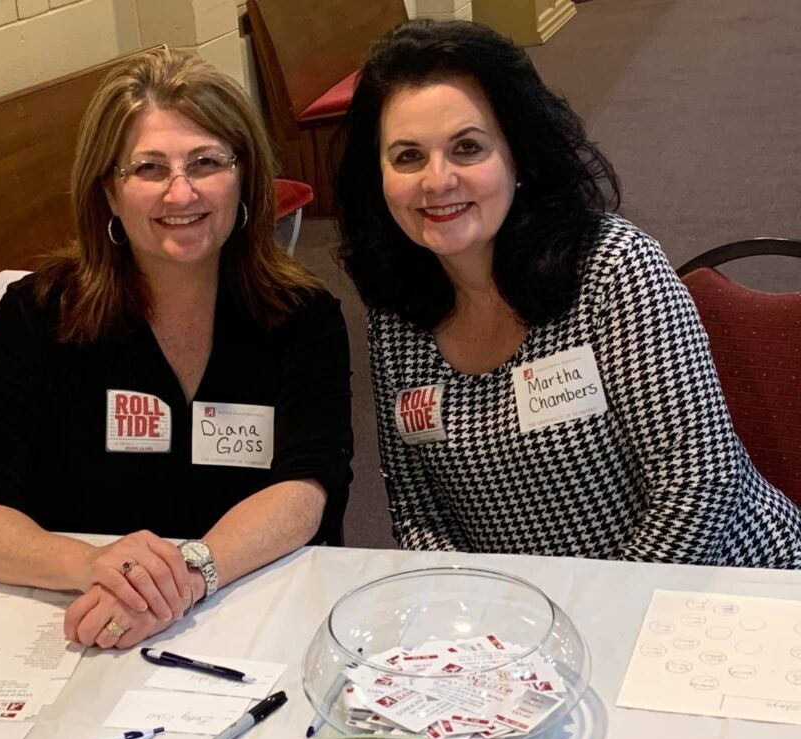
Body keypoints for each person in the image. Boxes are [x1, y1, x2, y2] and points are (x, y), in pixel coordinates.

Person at [0, 47, 353, 649]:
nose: (181, 194)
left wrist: (186, 577)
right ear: (107, 192)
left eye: (206, 162)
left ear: (246, 178)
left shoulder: (302, 315)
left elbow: (308, 488)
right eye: (149, 169)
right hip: (79, 624)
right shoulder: (40, 314)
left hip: (245, 609)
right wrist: (89, 566)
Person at [335, 19, 800, 568]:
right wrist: (475, 603)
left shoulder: (612, 269)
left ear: (518, 156)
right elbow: (417, 512)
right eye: (408, 156)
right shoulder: (394, 314)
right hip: (532, 621)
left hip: (723, 585)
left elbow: (700, 490)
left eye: (467, 148)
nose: (437, 181)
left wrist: (592, 624)